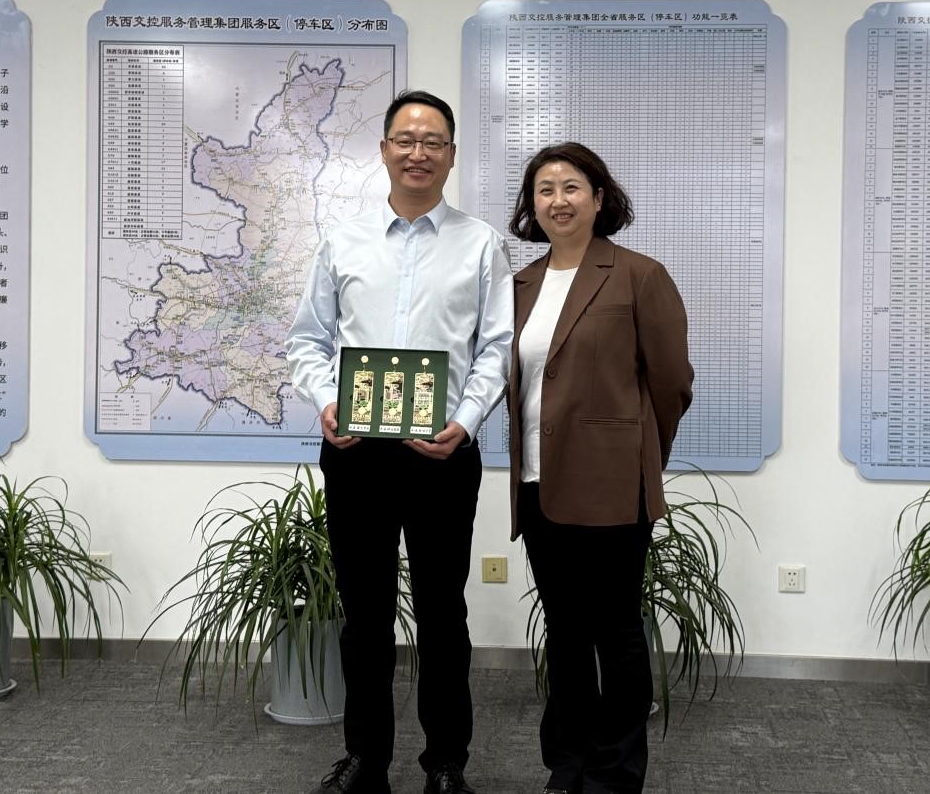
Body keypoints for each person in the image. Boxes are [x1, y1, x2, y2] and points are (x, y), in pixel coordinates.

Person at [286, 90, 514, 794]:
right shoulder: (343, 240)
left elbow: (496, 348)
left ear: (451, 154)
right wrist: (327, 401)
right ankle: (366, 760)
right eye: (406, 140)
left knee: (444, 614)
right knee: (365, 615)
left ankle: (445, 763)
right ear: (384, 149)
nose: (419, 153)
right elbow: (307, 340)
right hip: (357, 452)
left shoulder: (481, 243)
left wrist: (465, 420)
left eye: (433, 141)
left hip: (443, 453)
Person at [506, 143, 693, 794]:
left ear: (599, 197)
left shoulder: (638, 274)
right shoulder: (521, 284)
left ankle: (614, 773)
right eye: (545, 189)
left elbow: (671, 383)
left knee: (615, 632)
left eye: (571, 187)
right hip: (538, 483)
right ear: (531, 205)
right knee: (563, 631)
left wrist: (637, 455)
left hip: (613, 487)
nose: (557, 200)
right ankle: (568, 763)